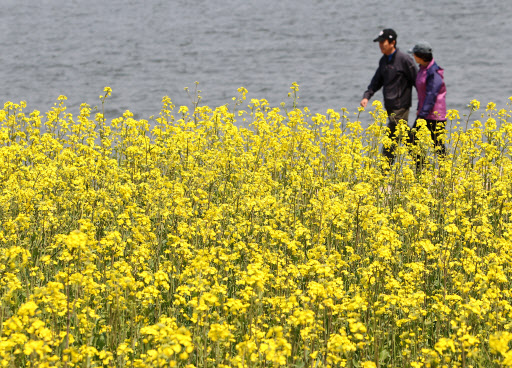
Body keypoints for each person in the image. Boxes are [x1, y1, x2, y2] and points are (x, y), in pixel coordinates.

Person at [361, 28, 417, 166]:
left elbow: (417, 81)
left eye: (383, 42)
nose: (380, 45)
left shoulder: (404, 60)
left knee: (392, 134)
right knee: (401, 134)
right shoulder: (384, 60)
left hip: (401, 104)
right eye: (379, 43)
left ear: (392, 42)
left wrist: (423, 104)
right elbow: (377, 80)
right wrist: (367, 96)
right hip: (389, 105)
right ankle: (421, 162)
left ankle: (384, 170)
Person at [408, 41, 447, 165]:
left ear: (421, 56)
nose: (413, 57)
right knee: (412, 140)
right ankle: (423, 168)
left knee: (436, 144)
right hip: (425, 113)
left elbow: (431, 95)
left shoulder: (433, 73)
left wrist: (422, 115)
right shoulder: (423, 69)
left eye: (414, 54)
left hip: (434, 115)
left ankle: (445, 171)